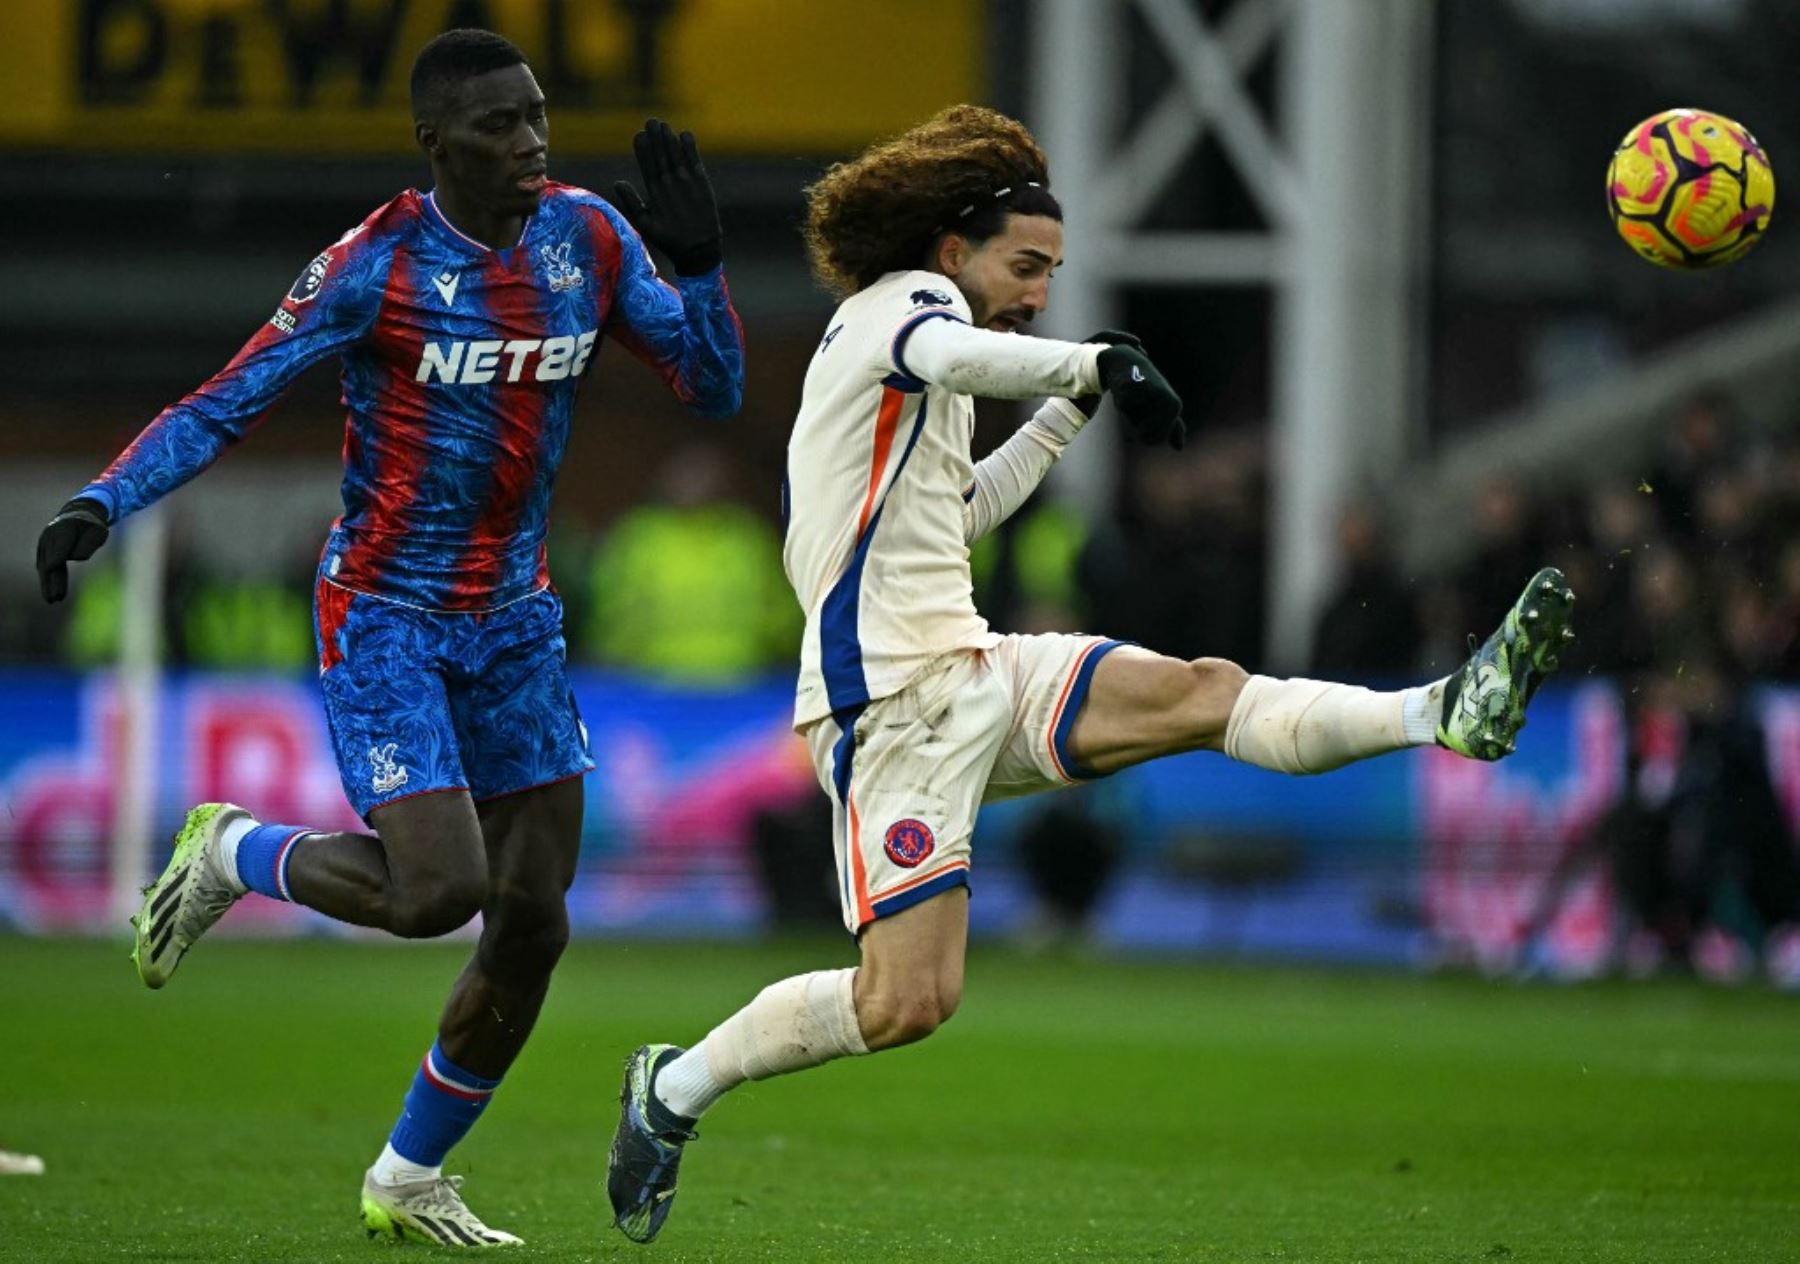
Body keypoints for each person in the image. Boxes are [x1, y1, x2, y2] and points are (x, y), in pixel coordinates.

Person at [603, 104, 1574, 1244]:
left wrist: (1066, 412)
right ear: (951, 250)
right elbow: (950, 348)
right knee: (906, 1002)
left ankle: (1444, 711)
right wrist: (1089, 359)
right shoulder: (903, 310)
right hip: (889, 708)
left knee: (1202, 689)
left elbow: (951, 514)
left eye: (1054, 274)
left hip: (973, 667)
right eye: (1027, 265)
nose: (1039, 292)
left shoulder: (908, 358)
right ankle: (671, 1087)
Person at [34, 29, 744, 1249]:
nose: (530, 144)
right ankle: (238, 853)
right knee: (440, 892)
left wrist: (704, 267)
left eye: (536, 118)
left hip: (515, 621)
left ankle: (407, 1176)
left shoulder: (590, 239)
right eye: (498, 127)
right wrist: (104, 498)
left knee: (535, 920)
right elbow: (227, 398)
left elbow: (714, 388)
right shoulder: (375, 266)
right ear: (435, 145)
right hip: (387, 616)